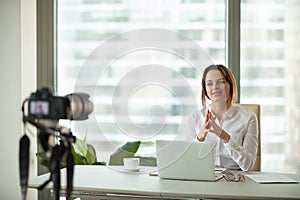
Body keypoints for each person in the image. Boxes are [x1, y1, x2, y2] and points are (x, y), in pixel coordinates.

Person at [186, 64, 258, 171]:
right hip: (203, 179)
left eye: (221, 82)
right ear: (205, 90)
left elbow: (248, 165)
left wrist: (225, 137)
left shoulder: (248, 118)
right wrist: (199, 138)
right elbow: (187, 162)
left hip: (235, 181)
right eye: (209, 84)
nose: (215, 87)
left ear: (230, 85)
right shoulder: (195, 118)